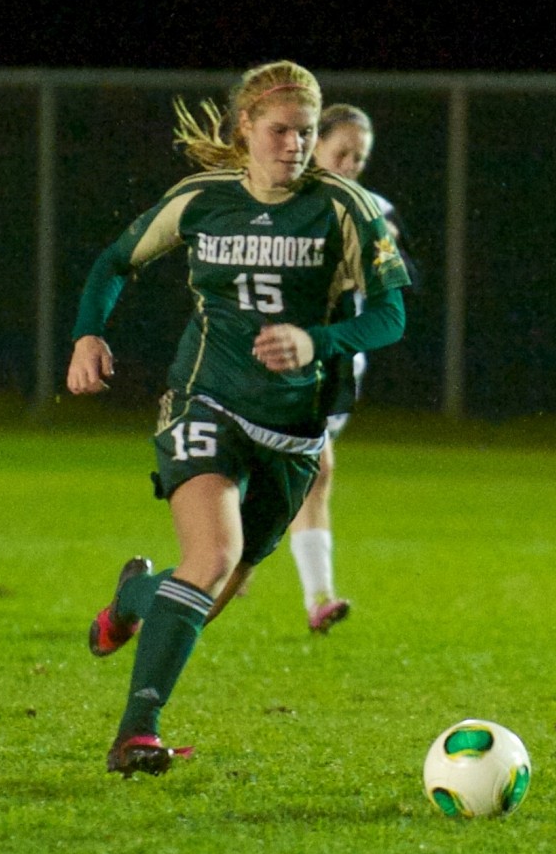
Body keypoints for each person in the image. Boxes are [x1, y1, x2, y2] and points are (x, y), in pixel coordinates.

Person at [65, 60, 412, 777]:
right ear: (245, 129)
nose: (293, 144)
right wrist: (88, 334)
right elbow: (113, 262)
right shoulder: (201, 199)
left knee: (209, 592)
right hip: (207, 398)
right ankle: (136, 732)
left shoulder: (347, 207)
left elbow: (391, 315)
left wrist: (318, 339)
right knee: (212, 558)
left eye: (305, 132)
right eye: (280, 130)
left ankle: (133, 595)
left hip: (292, 430)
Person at [287, 103, 418, 634]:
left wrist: (379, 252)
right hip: (284, 358)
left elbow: (400, 283)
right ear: (314, 146)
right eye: (341, 152)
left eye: (358, 159)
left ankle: (242, 563)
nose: (349, 165)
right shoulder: (286, 205)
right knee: (313, 471)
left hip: (338, 365)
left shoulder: (373, 210)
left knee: (305, 475)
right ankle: (311, 593)